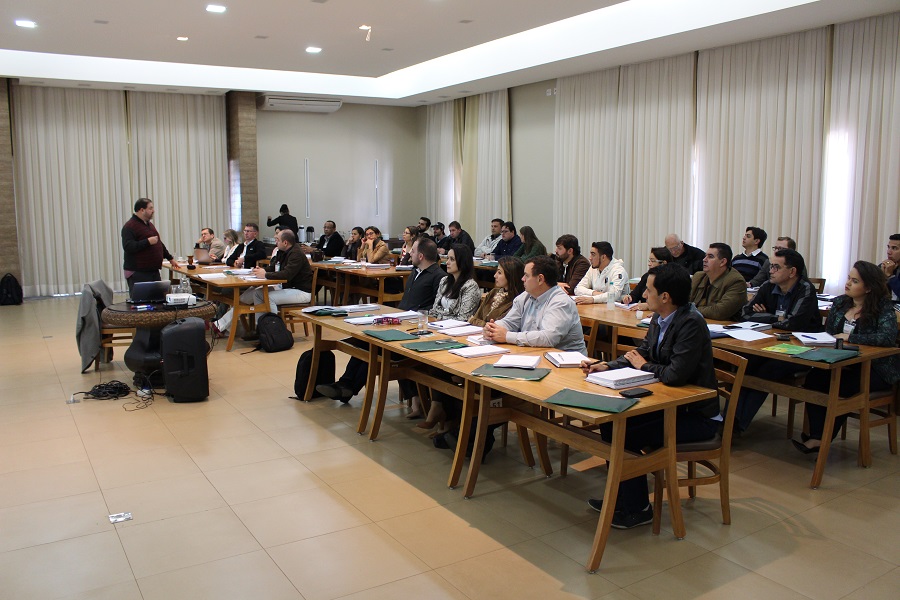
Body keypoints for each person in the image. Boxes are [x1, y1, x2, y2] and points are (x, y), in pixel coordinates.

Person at [582, 263, 719, 529]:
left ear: (665, 296)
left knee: (626, 433)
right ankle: (621, 497)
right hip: (669, 405)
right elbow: (641, 352)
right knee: (612, 424)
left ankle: (637, 508)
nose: (643, 294)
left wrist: (644, 366)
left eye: (648, 290)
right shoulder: (659, 317)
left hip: (696, 415)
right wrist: (607, 366)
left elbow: (675, 375)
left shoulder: (691, 323)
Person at [316, 238, 444, 402]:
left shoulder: (438, 276)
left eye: (412, 251)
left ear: (421, 256)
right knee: (365, 340)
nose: (409, 253)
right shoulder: (415, 272)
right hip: (400, 321)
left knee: (374, 346)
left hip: (414, 328)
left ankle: (346, 386)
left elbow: (436, 308)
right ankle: (345, 385)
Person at [793, 261, 900, 453]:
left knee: (840, 387)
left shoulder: (883, 306)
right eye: (849, 278)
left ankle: (821, 438)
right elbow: (831, 333)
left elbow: (887, 337)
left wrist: (851, 337)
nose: (848, 283)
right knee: (815, 379)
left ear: (868, 287)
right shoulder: (840, 302)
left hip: (875, 368)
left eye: (855, 281)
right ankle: (818, 435)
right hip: (842, 361)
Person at [734, 248, 823, 432]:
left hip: (800, 350)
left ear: (792, 271)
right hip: (769, 344)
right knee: (745, 364)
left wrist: (766, 317)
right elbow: (745, 313)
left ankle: (737, 425)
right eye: (771, 266)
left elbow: (794, 323)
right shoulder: (768, 286)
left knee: (767, 371)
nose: (771, 271)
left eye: (776, 267)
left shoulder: (805, 289)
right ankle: (730, 420)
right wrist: (776, 318)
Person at [406, 244, 482, 420]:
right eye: (447, 258)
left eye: (452, 259)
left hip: (458, 337)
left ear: (462, 262)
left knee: (435, 365)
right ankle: (432, 404)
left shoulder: (470, 286)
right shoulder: (444, 281)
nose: (447, 262)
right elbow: (433, 310)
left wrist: (442, 316)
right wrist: (444, 316)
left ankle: (440, 408)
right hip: (439, 330)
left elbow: (463, 318)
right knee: (411, 353)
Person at [211, 230, 313, 338]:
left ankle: (273, 332)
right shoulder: (281, 251)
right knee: (249, 295)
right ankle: (260, 330)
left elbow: (287, 274)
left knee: (268, 297)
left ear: (285, 242)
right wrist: (260, 270)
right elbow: (273, 267)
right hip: (284, 287)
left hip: (300, 291)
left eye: (277, 240)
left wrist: (265, 274)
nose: (275, 242)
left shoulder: (296, 254)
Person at [484, 255, 586, 353]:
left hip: (566, 360)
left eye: (526, 275)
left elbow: (548, 338)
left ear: (540, 279)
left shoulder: (561, 302)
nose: (522, 279)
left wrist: (507, 336)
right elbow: (510, 322)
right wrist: (493, 329)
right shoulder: (526, 296)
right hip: (534, 354)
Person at [121, 198, 178, 296]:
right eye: (150, 208)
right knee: (142, 301)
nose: (153, 211)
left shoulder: (149, 225)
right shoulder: (129, 226)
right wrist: (147, 242)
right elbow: (128, 247)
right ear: (142, 210)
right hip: (138, 272)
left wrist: (170, 258)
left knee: (158, 299)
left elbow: (158, 243)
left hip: (152, 271)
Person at [688, 243, 747, 321]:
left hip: (723, 325)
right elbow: (682, 302)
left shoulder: (736, 281)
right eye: (705, 256)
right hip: (697, 321)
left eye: (710, 257)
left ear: (722, 262)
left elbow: (720, 312)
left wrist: (692, 309)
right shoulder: (698, 276)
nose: (704, 259)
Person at [469, 256, 526, 327]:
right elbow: (477, 317)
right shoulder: (493, 292)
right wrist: (476, 321)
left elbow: (496, 326)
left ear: (510, 275)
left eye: (499, 273)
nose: (495, 276)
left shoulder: (517, 300)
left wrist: (475, 321)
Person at [881, 233, 900, 301]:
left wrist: (890, 276)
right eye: (888, 247)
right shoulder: (884, 266)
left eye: (894, 248)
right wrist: (882, 277)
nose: (889, 252)